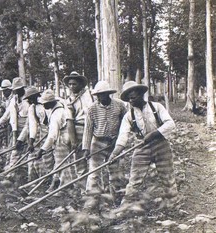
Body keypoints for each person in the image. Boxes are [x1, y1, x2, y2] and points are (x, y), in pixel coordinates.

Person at [110, 81, 178, 213]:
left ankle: (172, 203)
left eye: (133, 97)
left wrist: (153, 134)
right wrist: (115, 153)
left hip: (161, 144)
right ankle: (125, 207)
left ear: (141, 95)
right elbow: (122, 136)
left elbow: (170, 124)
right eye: (129, 98)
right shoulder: (129, 116)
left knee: (167, 176)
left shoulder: (157, 107)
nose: (131, 101)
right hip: (141, 147)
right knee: (134, 179)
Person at [81, 81, 127, 212]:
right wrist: (86, 149)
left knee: (115, 170)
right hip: (98, 142)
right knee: (94, 172)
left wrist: (119, 140)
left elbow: (125, 124)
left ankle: (116, 196)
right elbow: (88, 129)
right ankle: (91, 198)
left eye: (104, 94)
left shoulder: (119, 105)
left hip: (114, 142)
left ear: (108, 94)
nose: (101, 97)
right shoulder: (92, 109)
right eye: (99, 95)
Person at [34, 90, 74, 195]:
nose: (43, 105)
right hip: (61, 136)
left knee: (62, 163)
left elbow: (52, 135)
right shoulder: (55, 108)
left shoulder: (57, 113)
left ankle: (65, 187)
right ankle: (56, 184)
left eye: (45, 103)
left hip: (63, 138)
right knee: (58, 162)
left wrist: (42, 150)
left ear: (51, 102)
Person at [63, 71, 93, 192]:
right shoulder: (69, 100)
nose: (71, 87)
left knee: (93, 159)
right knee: (80, 161)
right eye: (69, 84)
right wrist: (73, 139)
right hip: (78, 129)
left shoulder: (90, 95)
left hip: (92, 129)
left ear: (81, 84)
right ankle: (83, 189)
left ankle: (94, 188)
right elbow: (69, 120)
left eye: (74, 84)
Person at [0, 77, 30, 169]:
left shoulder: (28, 100)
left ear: (22, 88)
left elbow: (29, 123)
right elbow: (7, 115)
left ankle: (21, 171)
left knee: (26, 151)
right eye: (15, 90)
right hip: (16, 128)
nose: (16, 92)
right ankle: (12, 170)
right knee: (14, 150)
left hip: (28, 128)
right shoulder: (14, 99)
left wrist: (21, 138)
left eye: (18, 90)